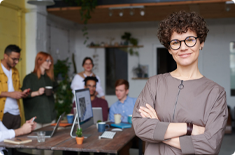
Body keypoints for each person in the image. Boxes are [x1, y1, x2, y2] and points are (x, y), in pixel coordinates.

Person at [132, 11, 228, 155]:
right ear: (170, 49)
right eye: (175, 42)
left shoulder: (216, 93)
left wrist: (158, 130)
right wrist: (189, 128)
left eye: (189, 40)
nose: (183, 47)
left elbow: (210, 146)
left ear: (201, 43)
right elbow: (140, 127)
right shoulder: (154, 84)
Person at [22, 52, 57, 129]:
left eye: (50, 61)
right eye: (47, 60)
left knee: (52, 140)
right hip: (35, 119)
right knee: (37, 140)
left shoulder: (50, 78)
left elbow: (55, 89)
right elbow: (24, 95)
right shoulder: (29, 78)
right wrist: (37, 92)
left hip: (50, 116)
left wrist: (51, 92)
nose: (50, 63)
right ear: (39, 61)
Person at [0, 45, 30, 129]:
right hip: (3, 114)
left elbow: (17, 89)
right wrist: (10, 94)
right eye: (14, 59)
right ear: (5, 56)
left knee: (17, 141)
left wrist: (22, 93)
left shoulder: (15, 71)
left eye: (18, 59)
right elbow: (12, 93)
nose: (16, 62)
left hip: (17, 114)